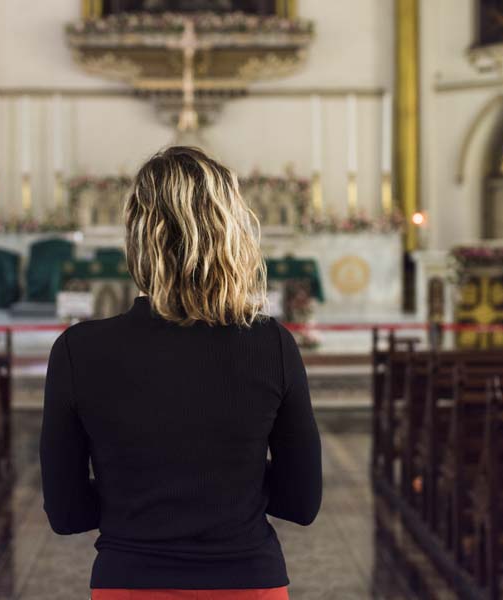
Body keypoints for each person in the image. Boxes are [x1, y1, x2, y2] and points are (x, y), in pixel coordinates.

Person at [41, 146, 322, 599]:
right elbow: (302, 502)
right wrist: (231, 482)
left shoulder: (79, 350)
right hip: (248, 583)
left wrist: (135, 488)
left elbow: (66, 514)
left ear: (137, 237)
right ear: (230, 233)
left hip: (129, 582)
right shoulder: (272, 344)